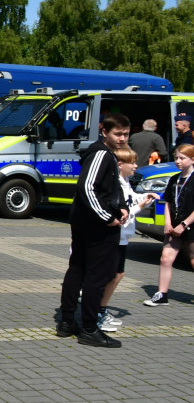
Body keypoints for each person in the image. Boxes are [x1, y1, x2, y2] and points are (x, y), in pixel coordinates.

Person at [56, 113, 130, 347]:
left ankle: (67, 322)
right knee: (96, 276)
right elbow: (87, 187)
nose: (122, 138)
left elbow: (107, 187)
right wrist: (108, 217)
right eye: (117, 134)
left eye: (126, 134)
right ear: (104, 131)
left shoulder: (104, 153)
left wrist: (121, 206)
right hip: (95, 225)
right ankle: (89, 328)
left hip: (87, 222)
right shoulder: (101, 153)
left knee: (77, 269)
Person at [98, 147, 156, 327]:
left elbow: (132, 199)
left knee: (117, 273)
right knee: (111, 274)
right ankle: (98, 311)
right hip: (116, 235)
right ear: (120, 164)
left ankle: (100, 309)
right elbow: (122, 212)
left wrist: (145, 197)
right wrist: (141, 206)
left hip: (123, 237)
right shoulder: (115, 183)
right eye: (132, 162)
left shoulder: (125, 181)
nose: (136, 166)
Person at [145, 143, 194, 308]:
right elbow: (167, 202)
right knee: (166, 258)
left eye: (182, 158)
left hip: (190, 226)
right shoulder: (175, 178)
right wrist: (167, 222)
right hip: (174, 225)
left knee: (193, 260)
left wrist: (184, 224)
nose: (178, 161)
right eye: (176, 158)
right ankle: (161, 294)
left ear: (192, 159)